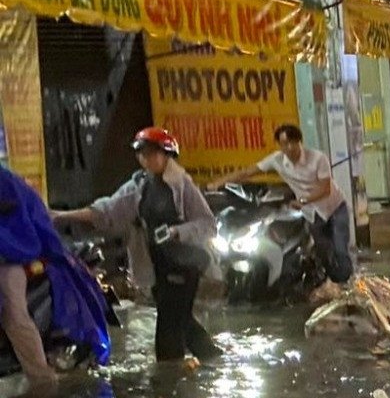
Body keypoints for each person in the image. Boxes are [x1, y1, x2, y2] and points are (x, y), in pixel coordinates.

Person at [55, 128, 220, 365]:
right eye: (142, 154)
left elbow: (208, 224)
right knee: (181, 320)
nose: (146, 159)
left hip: (184, 264)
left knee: (168, 328)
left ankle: (170, 380)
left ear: (167, 154)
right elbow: (108, 210)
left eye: (151, 153)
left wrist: (177, 232)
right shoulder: (139, 185)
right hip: (157, 265)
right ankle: (213, 360)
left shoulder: (182, 185)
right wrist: (61, 215)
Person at [0, 165, 111, 392]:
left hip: (12, 257)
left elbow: (26, 215)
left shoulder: (7, 182)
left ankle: (43, 383)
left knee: (13, 313)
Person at [211, 124, 354, 284]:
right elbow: (247, 172)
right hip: (312, 214)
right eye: (284, 144)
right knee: (324, 251)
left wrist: (303, 201)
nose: (289, 147)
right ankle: (331, 281)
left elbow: (325, 189)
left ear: (300, 142)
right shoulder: (277, 160)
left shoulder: (318, 158)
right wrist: (219, 182)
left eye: (292, 143)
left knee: (340, 248)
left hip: (334, 208)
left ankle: (348, 285)